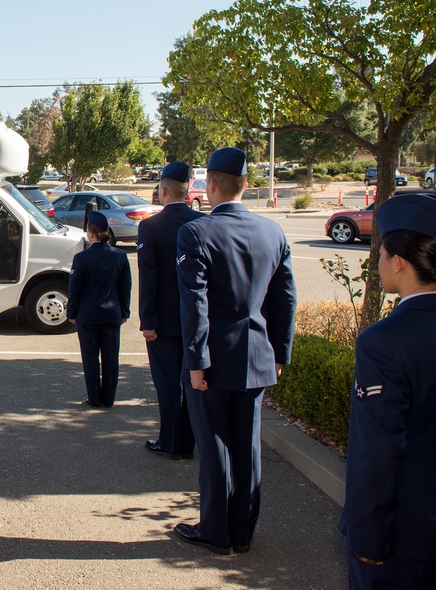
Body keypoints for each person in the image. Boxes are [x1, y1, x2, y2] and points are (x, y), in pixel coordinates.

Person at [173, 147, 297, 555]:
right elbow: (285, 299)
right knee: (248, 446)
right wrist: (279, 354)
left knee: (215, 449)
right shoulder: (273, 232)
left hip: (213, 360)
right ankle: (242, 532)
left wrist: (196, 361)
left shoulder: (196, 232)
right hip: (257, 357)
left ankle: (216, 532)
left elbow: (196, 303)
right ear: (246, 185)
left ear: (210, 185)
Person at [340, 194, 436, 589]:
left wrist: (368, 536)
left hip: (407, 537)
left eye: (379, 254)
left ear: (398, 262)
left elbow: (377, 452)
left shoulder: (385, 341)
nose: (376, 264)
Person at [137, 162, 203, 459]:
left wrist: (147, 320)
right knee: (193, 382)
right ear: (188, 190)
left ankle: (170, 441)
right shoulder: (203, 223)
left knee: (167, 385)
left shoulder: (150, 226)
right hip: (196, 320)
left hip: (162, 322)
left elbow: (148, 278)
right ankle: (189, 441)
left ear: (163, 190)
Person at [66, 210, 131, 407]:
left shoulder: (82, 258)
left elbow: (74, 289)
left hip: (88, 315)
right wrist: (124, 311)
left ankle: (94, 398)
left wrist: (72, 313)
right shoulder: (120, 256)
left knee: (90, 358)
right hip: (112, 314)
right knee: (111, 359)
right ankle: (109, 398)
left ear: (90, 233)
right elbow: (125, 287)